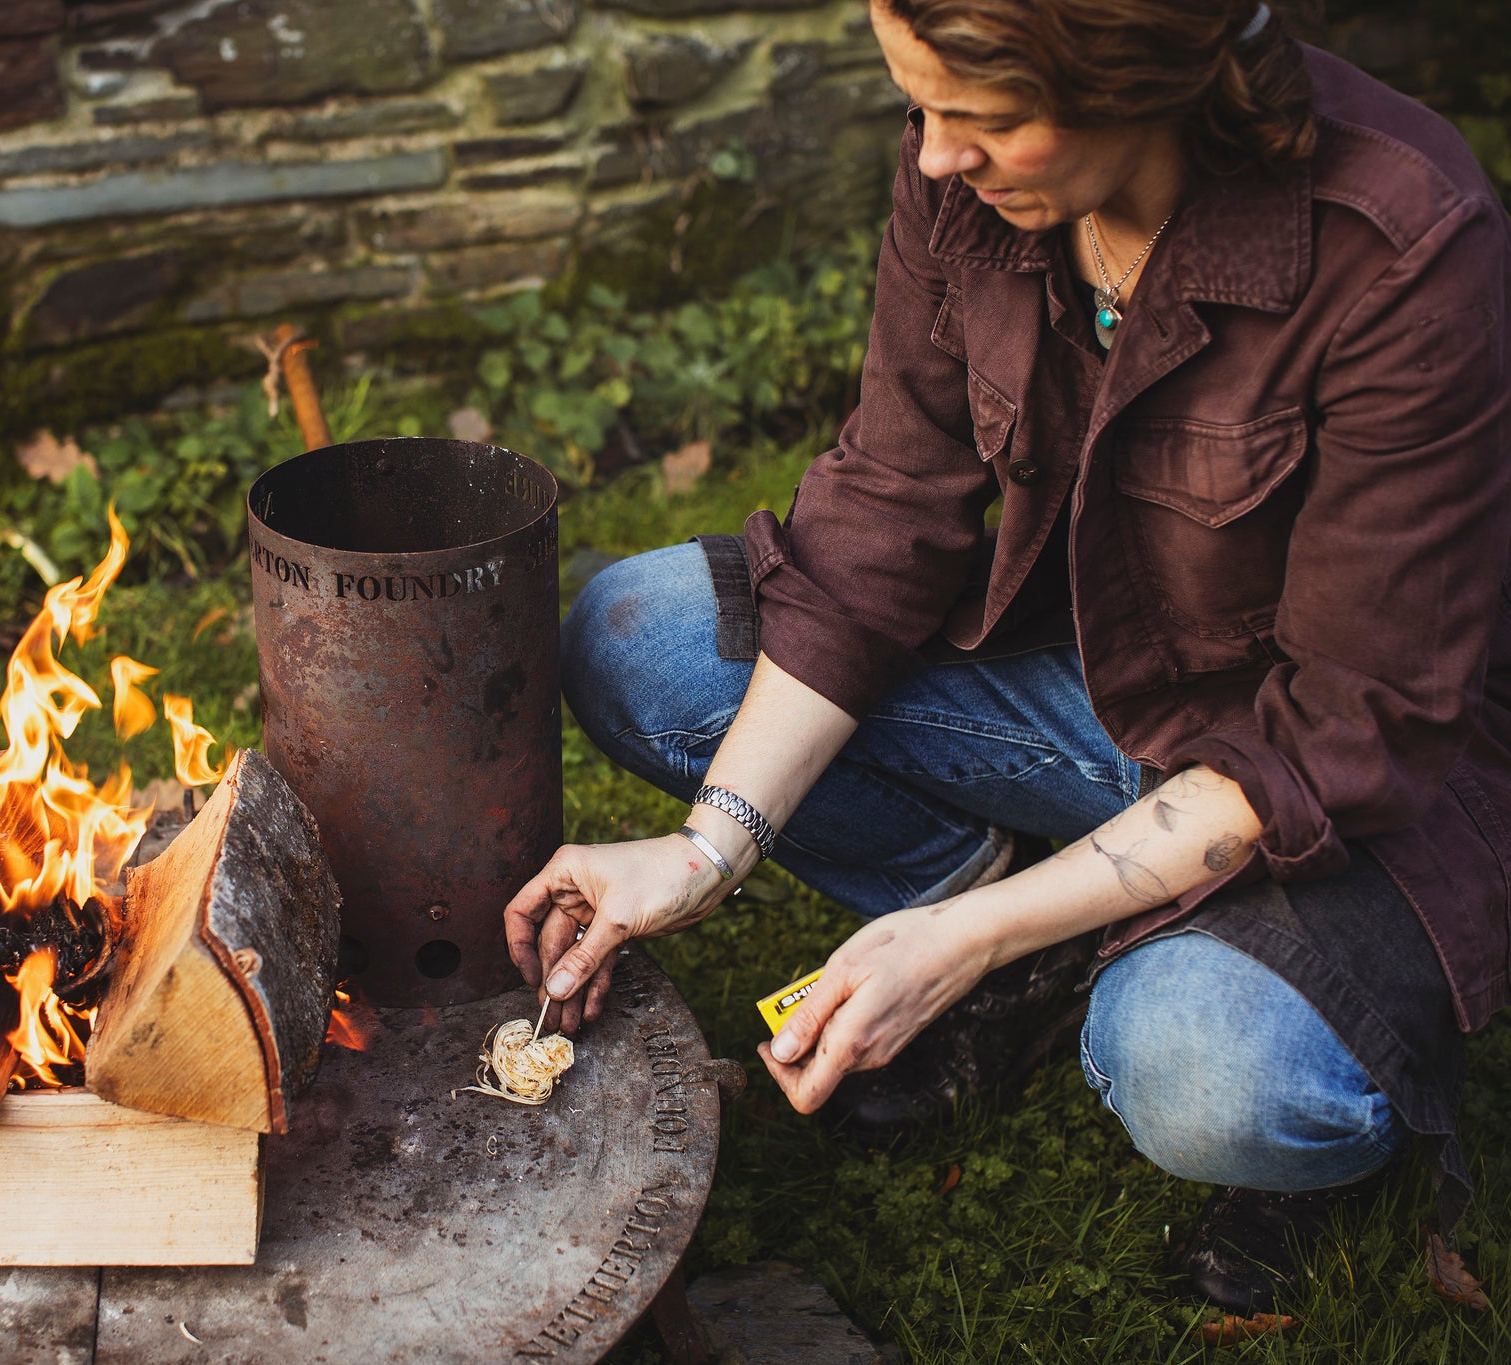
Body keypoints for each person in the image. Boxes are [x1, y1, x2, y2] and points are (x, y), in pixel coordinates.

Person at [505, 0, 1510, 1314]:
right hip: (1099, 686)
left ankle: (1281, 1102)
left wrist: (957, 940)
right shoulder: (971, 185)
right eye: (919, 108)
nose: (931, 156)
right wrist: (707, 850)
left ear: (1143, 78)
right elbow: (882, 518)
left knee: (1204, 1071)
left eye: (985, 120)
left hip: (1341, 790)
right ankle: (1026, 917)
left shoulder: (1402, 247)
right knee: (641, 636)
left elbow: (1340, 732)